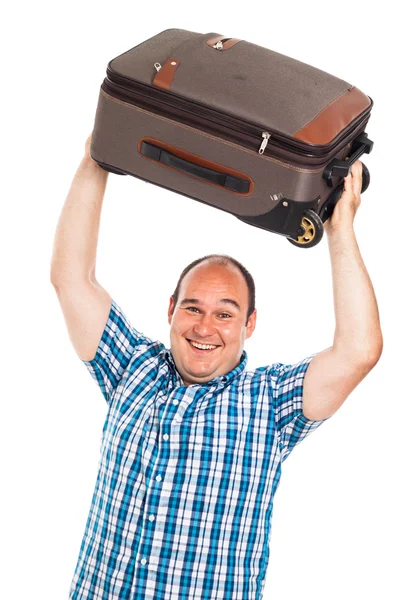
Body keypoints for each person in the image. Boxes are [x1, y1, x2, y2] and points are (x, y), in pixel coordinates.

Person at [50, 132, 383, 600]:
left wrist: (339, 230)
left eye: (225, 313)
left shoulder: (269, 402)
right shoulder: (131, 368)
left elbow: (358, 351)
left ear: (249, 325)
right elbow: (70, 278)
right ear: (170, 310)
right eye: (192, 308)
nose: (205, 327)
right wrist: (97, 159)